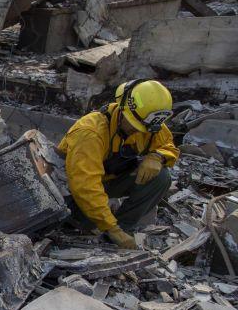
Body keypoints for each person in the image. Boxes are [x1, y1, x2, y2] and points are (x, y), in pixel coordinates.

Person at [58, 79, 179, 249]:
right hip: (70, 194)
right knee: (81, 222)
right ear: (122, 109)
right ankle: (90, 226)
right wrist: (111, 228)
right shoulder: (91, 132)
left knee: (161, 177)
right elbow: (85, 186)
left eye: (143, 129)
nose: (138, 132)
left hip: (105, 182)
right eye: (135, 126)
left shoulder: (147, 123)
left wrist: (157, 156)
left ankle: (123, 229)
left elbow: (168, 144)